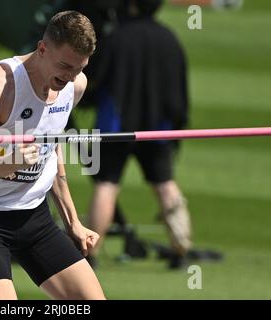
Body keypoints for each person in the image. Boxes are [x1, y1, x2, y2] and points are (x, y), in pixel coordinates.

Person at [0, 11, 106, 300]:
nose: (70, 77)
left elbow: (52, 149)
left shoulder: (75, 85)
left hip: (36, 219)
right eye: (65, 66)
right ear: (42, 48)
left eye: (80, 68)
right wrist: (5, 164)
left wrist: (72, 222)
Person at [86, 0, 193, 269]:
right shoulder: (169, 38)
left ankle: (91, 253)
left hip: (115, 128)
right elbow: (179, 89)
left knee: (107, 185)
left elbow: (94, 79)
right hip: (158, 128)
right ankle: (181, 249)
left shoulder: (116, 38)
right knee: (166, 184)